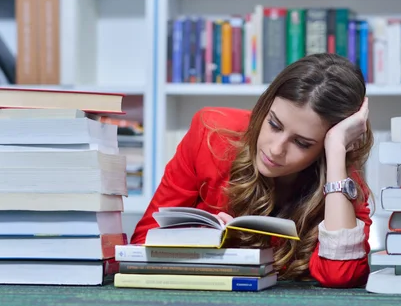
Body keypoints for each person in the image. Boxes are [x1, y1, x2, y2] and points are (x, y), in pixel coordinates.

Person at [131, 53, 374, 288]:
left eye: (302, 143)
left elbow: (341, 274)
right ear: (264, 107)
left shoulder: (342, 183)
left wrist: (335, 149)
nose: (276, 149)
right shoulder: (212, 134)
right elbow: (141, 243)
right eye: (274, 124)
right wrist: (203, 240)